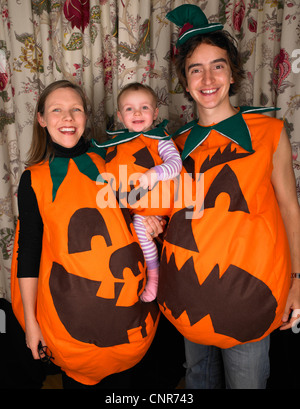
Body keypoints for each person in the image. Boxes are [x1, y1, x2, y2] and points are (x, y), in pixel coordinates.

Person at [157, 5, 300, 389]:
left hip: (249, 295)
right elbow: (169, 212)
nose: (207, 78)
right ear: (185, 82)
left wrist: (298, 280)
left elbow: (289, 207)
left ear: (233, 73)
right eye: (195, 69)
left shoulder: (269, 132)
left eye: (218, 66)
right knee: (196, 380)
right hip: (189, 290)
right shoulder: (175, 145)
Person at [10, 80, 162, 388]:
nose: (67, 118)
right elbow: (28, 254)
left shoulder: (109, 159)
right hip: (72, 327)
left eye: (75, 110)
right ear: (41, 119)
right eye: (57, 110)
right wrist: (30, 323)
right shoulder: (33, 180)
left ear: (86, 116)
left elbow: (135, 211)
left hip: (127, 313)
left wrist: (152, 221)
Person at [94, 83, 182, 302]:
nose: (137, 113)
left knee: (145, 235)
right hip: (132, 213)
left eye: (144, 107)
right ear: (120, 115)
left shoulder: (160, 139)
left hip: (162, 211)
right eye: (129, 109)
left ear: (155, 113)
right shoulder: (115, 145)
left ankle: (154, 274)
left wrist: (156, 172)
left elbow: (176, 163)